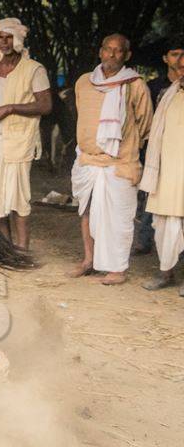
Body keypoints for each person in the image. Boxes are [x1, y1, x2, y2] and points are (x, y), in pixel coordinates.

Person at [67, 34, 152, 285]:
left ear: (126, 56)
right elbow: (82, 114)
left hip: (119, 163)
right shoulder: (84, 82)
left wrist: (123, 147)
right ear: (100, 51)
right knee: (87, 210)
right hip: (87, 160)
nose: (111, 55)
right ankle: (89, 260)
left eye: (118, 51)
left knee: (118, 217)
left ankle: (117, 268)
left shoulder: (135, 85)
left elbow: (146, 125)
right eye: (107, 49)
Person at [0, 18, 52, 250]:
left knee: (18, 198)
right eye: (0, 37)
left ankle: (22, 250)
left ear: (18, 39)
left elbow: (45, 105)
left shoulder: (34, 69)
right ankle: (6, 250)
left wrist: (10, 108)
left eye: (9, 37)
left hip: (19, 141)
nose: (4, 42)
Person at [135, 37, 184, 255]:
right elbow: (145, 119)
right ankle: (145, 241)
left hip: (179, 155)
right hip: (156, 152)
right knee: (151, 197)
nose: (180, 60)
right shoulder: (155, 87)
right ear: (165, 58)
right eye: (175, 54)